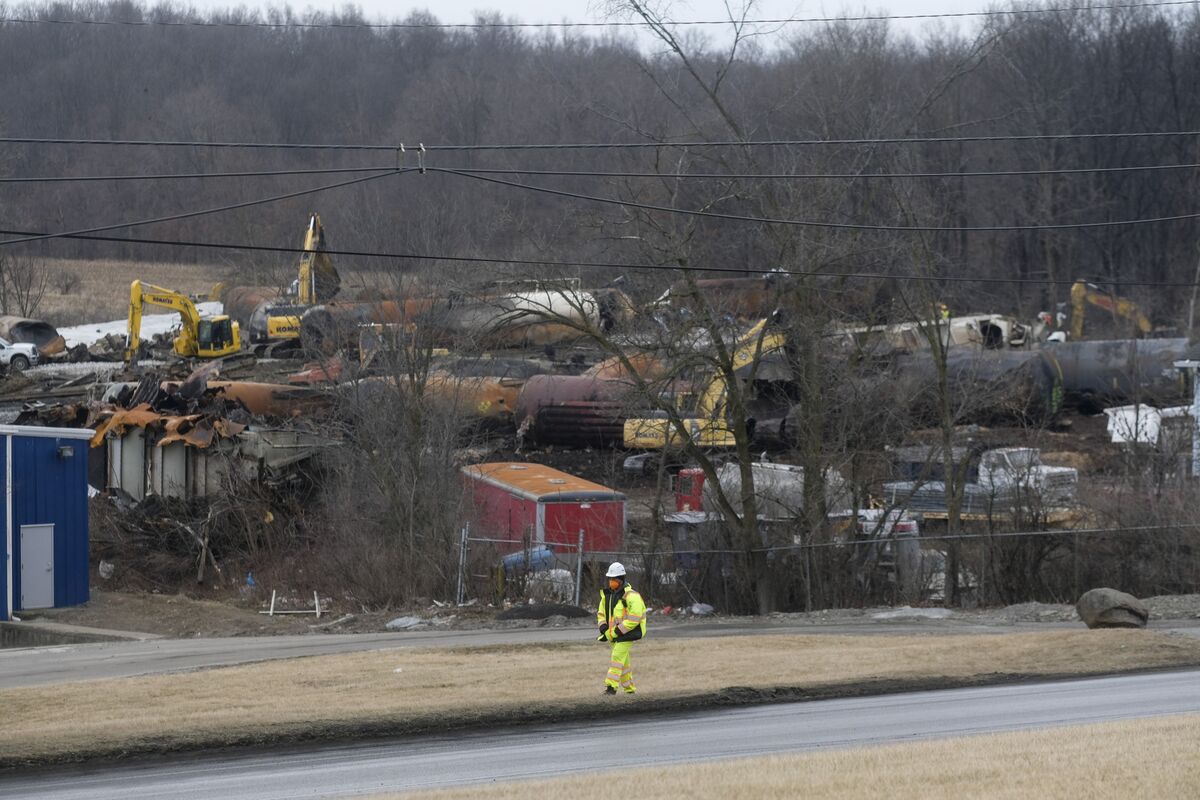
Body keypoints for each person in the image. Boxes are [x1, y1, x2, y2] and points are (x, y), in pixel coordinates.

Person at [596, 562, 646, 695]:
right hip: (614, 634)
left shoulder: (631, 596)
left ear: (621, 579)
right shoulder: (607, 596)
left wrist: (617, 631)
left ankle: (611, 688)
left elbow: (634, 619)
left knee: (617, 657)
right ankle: (629, 689)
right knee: (623, 663)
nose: (611, 581)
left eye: (614, 579)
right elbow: (601, 614)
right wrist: (603, 628)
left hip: (628, 634)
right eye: (610, 578)